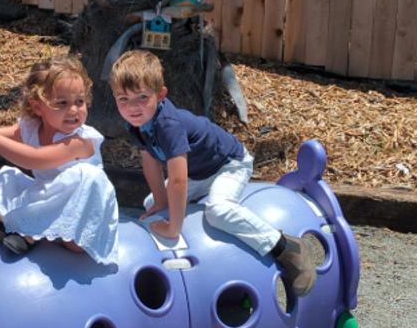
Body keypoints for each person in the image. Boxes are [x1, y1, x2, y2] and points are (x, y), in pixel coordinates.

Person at [108, 50, 315, 296]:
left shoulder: (168, 125)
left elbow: (177, 179)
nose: (132, 107)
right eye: (123, 99)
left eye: (142, 97)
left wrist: (174, 226)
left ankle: (285, 246)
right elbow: (149, 158)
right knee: (151, 202)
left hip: (228, 164)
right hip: (201, 172)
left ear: (160, 94)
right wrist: (161, 202)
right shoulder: (138, 123)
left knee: (218, 211)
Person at [0, 54, 119, 265]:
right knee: (8, 176)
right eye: (62, 103)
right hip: (48, 197)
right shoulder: (31, 128)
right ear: (38, 108)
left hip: (81, 221)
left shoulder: (80, 140)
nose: (73, 110)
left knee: (88, 176)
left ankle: (28, 233)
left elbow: (35, 160)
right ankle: (8, 220)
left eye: (80, 101)